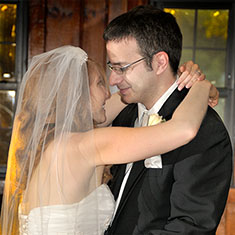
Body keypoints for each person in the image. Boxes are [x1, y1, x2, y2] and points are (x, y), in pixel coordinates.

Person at [0, 45, 217, 235]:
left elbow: (127, 96)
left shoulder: (55, 141)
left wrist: (174, 77)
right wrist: (202, 85)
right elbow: (183, 129)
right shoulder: (86, 145)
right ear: (77, 94)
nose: (107, 93)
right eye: (100, 84)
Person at [103, 5, 232, 235]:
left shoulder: (206, 130)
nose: (113, 79)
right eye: (112, 67)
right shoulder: (123, 114)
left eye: (122, 68)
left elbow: (189, 227)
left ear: (160, 62)